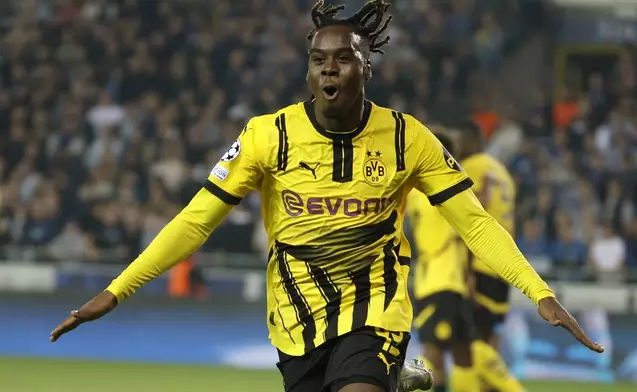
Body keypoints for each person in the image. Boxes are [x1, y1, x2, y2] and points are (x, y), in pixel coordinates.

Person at [50, 2, 604, 392]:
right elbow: (196, 222)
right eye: (319, 60)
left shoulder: (410, 138)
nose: (329, 68)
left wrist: (540, 293)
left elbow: (476, 225)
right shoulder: (268, 136)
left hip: (377, 307)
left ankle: (382, 373)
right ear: (309, 70)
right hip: (296, 316)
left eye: (342, 58)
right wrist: (117, 290)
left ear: (367, 68)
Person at [407, 130, 480, 392]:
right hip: (452, 281)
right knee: (462, 357)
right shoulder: (455, 189)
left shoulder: (423, 192)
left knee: (433, 356)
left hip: (438, 282)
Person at [458, 120, 526, 392]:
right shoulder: (503, 174)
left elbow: (469, 219)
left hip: (480, 264)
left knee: (470, 340)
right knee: (490, 342)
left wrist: (465, 271)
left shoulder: (472, 167)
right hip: (503, 266)